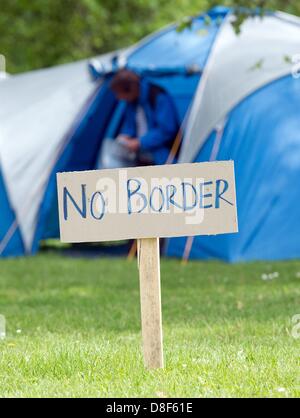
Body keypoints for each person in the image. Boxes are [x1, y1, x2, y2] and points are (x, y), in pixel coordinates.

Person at [108, 69, 179, 166]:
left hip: (163, 156)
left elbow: (166, 130)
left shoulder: (158, 96)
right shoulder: (131, 102)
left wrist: (139, 142)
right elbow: (130, 125)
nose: (118, 98)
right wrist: (124, 137)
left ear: (131, 89)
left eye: (119, 93)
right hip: (141, 155)